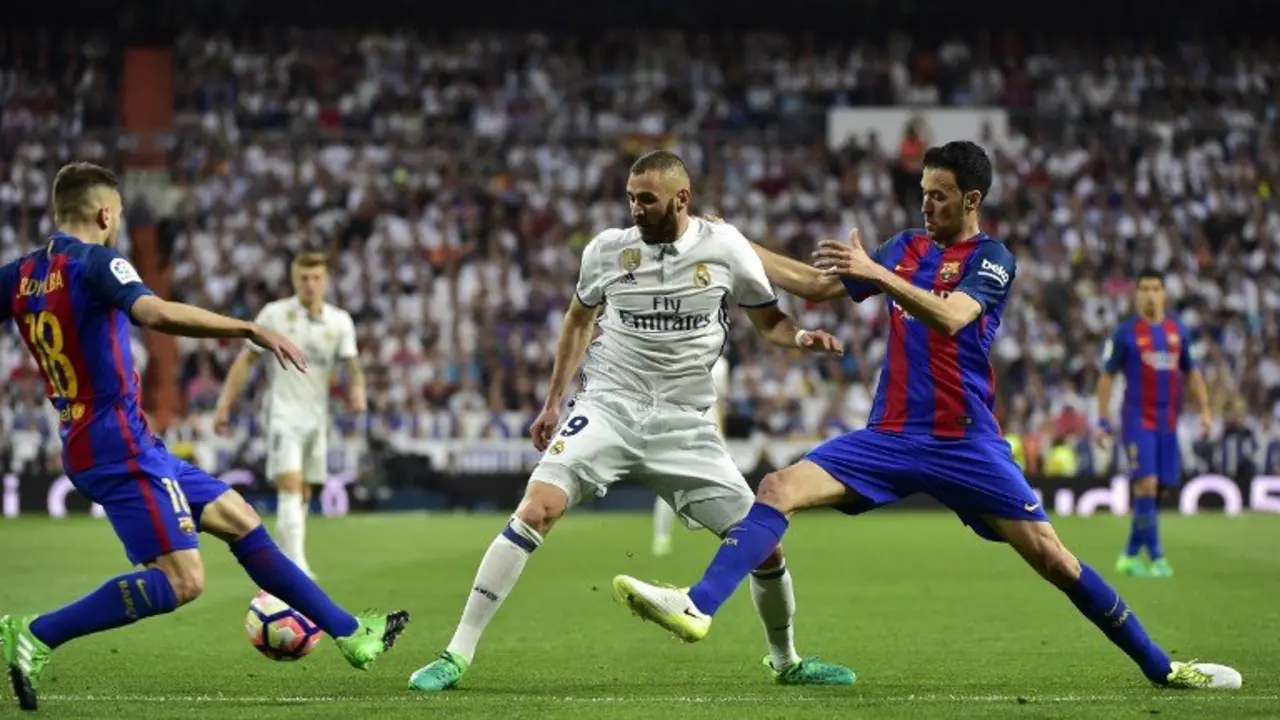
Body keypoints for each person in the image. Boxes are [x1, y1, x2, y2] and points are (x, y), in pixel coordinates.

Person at [611, 142, 1241, 691]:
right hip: (889, 435)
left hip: (965, 442)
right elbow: (814, 284)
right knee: (776, 489)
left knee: (1055, 560)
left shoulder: (993, 258)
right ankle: (697, 606)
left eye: (938, 196)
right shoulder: (904, 247)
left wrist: (878, 274)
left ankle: (1164, 669)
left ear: (971, 199)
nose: (925, 207)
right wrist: (732, 241)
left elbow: (953, 316)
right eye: (922, 193)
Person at [408, 150, 855, 692]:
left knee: (762, 543)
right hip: (609, 407)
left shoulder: (726, 247)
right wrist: (553, 402)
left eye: (647, 198)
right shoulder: (607, 251)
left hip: (684, 423)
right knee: (537, 508)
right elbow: (577, 320)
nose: (636, 208)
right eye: (630, 197)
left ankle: (786, 662)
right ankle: (456, 654)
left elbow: (770, 320)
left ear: (681, 199)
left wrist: (801, 337)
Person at [0, 163, 408, 712]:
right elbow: (158, 313)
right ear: (104, 213)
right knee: (182, 580)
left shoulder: (21, 273)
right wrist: (247, 327)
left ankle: (351, 632)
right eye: (117, 215)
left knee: (240, 518)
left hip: (112, 437)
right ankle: (36, 633)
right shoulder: (97, 262)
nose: (117, 223)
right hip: (116, 444)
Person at [213, 251, 366, 578]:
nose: (310, 284)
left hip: (317, 417)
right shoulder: (275, 315)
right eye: (303, 278)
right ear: (294, 279)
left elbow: (352, 365)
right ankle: (297, 568)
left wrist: (357, 390)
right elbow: (246, 360)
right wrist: (225, 404)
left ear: (325, 280)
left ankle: (286, 561)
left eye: (316, 278)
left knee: (305, 490)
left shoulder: (339, 322)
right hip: (282, 413)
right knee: (290, 486)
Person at [1096, 269, 1211, 578]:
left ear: (1164, 294)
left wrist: (1205, 411)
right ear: (1136, 294)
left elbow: (1194, 373)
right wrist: (1102, 419)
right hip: (1136, 420)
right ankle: (1158, 557)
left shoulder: (1178, 331)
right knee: (1145, 484)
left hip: (1168, 422)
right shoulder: (1125, 334)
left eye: (1155, 288)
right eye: (1144, 288)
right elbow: (1106, 378)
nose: (1149, 294)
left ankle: (1130, 554)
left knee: (1157, 490)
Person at [651, 355, 729, 556]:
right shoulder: (676, 361)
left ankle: (725, 531)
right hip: (682, 430)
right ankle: (662, 537)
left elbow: (719, 403)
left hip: (705, 431)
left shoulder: (719, 364)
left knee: (721, 482)